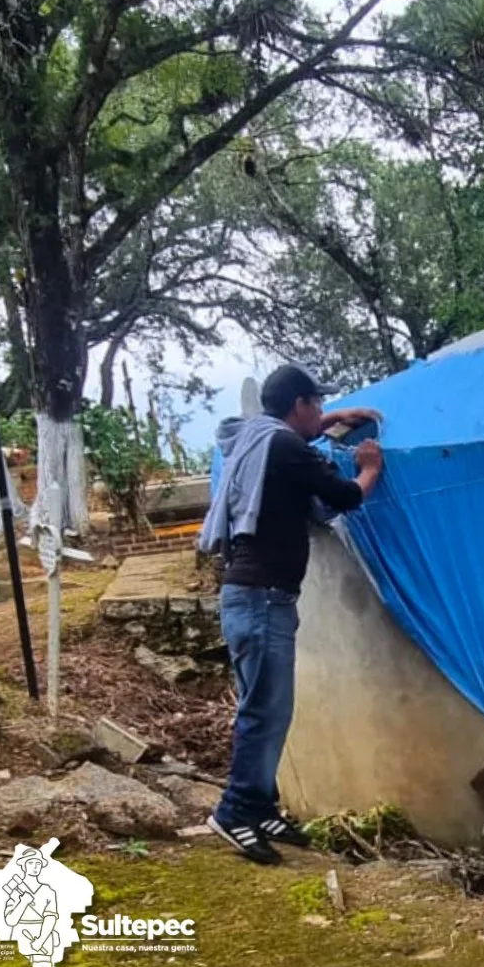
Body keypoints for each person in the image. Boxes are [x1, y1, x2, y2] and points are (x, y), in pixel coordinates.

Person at [199, 363, 383, 864]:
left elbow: (299, 443)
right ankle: (234, 812)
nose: (323, 413)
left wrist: (335, 418)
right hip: (261, 599)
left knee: (271, 710)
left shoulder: (255, 440)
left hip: (255, 596)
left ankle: (259, 806)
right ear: (299, 405)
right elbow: (343, 496)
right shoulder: (283, 447)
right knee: (263, 711)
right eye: (318, 405)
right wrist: (368, 468)